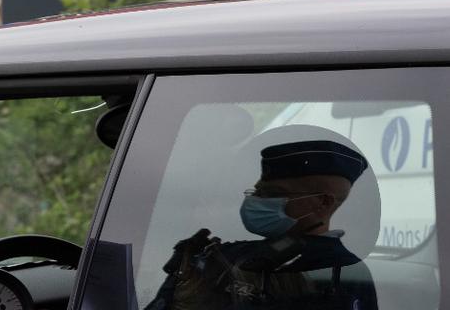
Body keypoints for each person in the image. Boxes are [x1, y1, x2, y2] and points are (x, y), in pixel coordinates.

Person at [145, 131, 378, 310]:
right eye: (256, 192)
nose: (256, 201)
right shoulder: (228, 252)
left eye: (272, 194)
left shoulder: (342, 270)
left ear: (324, 203)